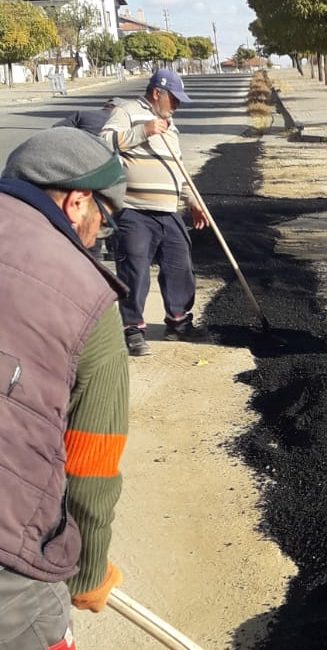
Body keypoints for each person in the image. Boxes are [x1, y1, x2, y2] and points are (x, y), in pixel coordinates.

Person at [0, 128, 130, 649]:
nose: (99, 235)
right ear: (77, 201)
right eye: (104, 217)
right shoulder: (85, 294)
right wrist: (88, 569)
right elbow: (91, 462)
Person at [100, 69, 209, 357]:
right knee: (134, 270)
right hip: (134, 211)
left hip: (168, 210)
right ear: (157, 93)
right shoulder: (127, 112)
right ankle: (133, 328)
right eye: (174, 99)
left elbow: (179, 169)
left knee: (180, 267)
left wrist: (193, 201)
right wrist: (143, 131)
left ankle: (178, 322)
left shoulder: (170, 125)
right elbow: (102, 142)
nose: (177, 106)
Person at [55, 97, 126, 261]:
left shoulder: (84, 115)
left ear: (105, 106)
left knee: (90, 210)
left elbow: (57, 130)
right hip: (111, 170)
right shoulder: (123, 121)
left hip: (82, 170)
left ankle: (93, 253)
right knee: (112, 208)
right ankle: (114, 250)